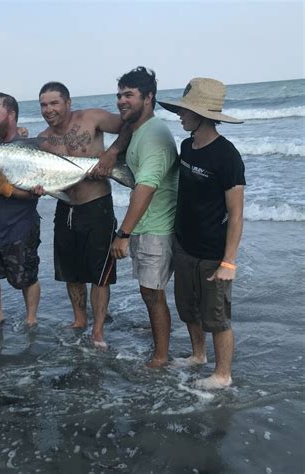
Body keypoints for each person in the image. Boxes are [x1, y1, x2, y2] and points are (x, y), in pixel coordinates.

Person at [158, 78, 245, 389]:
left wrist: (229, 262)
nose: (180, 116)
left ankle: (223, 375)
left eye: (185, 111)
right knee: (188, 307)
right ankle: (199, 356)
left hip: (213, 252)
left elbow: (236, 215)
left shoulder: (227, 155)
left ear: (202, 115)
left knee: (217, 316)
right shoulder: (186, 146)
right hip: (184, 245)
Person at [36, 81, 128, 348]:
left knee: (99, 273)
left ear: (67, 102)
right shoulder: (43, 140)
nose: (48, 109)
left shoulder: (92, 118)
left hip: (96, 205)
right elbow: (41, 176)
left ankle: (97, 330)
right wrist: (39, 186)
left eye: (54, 103)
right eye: (43, 104)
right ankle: (79, 320)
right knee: (70, 272)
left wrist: (111, 153)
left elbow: (129, 126)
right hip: (65, 207)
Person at [110, 67, 178, 368]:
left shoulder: (154, 135)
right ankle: (160, 346)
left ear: (148, 98)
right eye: (119, 95)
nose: (121, 101)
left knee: (153, 293)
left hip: (156, 228)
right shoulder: (139, 130)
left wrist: (123, 233)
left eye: (129, 95)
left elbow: (146, 187)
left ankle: (161, 357)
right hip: (147, 225)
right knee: (149, 292)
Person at [0, 92, 41, 327]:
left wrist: (7, 190)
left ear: (11, 115)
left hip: (20, 225)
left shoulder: (27, 147)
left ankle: (31, 318)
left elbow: (35, 191)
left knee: (26, 276)